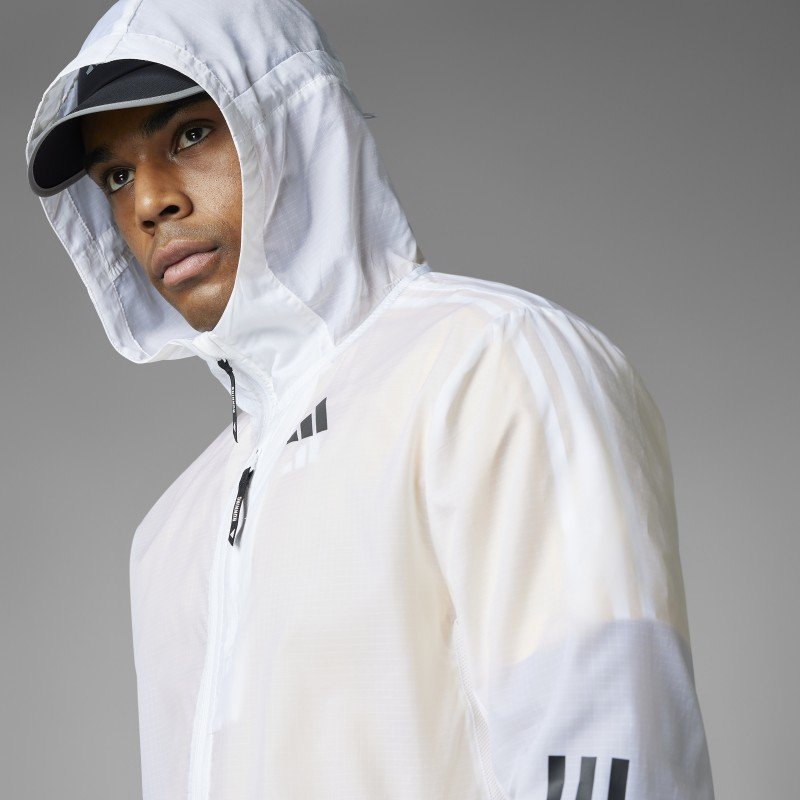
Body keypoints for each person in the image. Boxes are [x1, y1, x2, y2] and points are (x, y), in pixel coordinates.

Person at [26, 0, 716, 798]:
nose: (150, 202)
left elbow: (613, 744)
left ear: (294, 119)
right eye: (115, 176)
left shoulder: (492, 366)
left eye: (190, 134)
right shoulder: (168, 536)